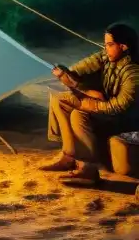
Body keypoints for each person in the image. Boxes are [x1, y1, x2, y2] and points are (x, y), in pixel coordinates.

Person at [40, 22, 139, 186]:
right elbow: (76, 71)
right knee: (60, 100)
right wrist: (66, 74)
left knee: (79, 114)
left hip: (124, 119)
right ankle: (70, 156)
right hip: (106, 106)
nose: (105, 48)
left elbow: (119, 108)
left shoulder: (133, 73)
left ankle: (88, 169)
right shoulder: (106, 57)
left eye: (109, 44)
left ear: (123, 46)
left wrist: (89, 104)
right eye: (105, 44)